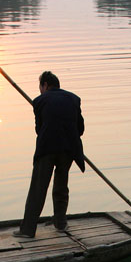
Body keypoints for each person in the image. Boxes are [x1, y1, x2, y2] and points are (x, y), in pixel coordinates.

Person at [14, 71, 85, 238]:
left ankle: (27, 230)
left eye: (40, 87)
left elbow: (39, 130)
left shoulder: (39, 101)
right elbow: (80, 129)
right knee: (61, 186)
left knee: (38, 189)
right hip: (68, 150)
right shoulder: (74, 99)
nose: (39, 90)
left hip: (47, 149)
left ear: (45, 85)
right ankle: (60, 224)